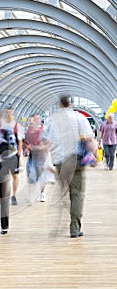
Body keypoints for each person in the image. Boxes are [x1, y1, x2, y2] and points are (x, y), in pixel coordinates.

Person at [44, 94, 97, 238]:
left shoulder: (52, 120)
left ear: (59, 104)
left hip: (60, 163)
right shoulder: (80, 118)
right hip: (76, 161)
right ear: (71, 103)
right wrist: (95, 156)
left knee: (64, 193)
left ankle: (62, 217)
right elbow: (89, 139)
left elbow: (46, 143)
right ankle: (74, 228)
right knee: (77, 194)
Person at [1, 106, 25, 205]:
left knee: (14, 175)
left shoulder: (17, 126)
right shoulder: (2, 125)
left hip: (13, 154)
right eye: (7, 112)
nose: (9, 114)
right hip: (3, 154)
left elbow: (20, 141)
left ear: (13, 114)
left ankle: (14, 195)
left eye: (10, 113)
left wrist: (19, 154)